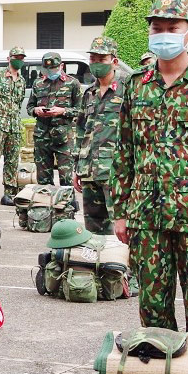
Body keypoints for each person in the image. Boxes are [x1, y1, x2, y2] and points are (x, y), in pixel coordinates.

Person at [111, 0, 188, 333]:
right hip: (147, 217)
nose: (164, 35)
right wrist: (119, 212)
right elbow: (124, 152)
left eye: (172, 28)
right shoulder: (136, 86)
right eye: (156, 28)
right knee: (153, 309)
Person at [74, 36, 124, 235]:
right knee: (93, 230)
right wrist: (78, 166)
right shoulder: (89, 93)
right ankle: (100, 266)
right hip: (89, 171)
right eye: (93, 59)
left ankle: (121, 266)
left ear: (114, 61)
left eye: (101, 59)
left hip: (114, 171)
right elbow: (81, 130)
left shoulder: (126, 89)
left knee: (120, 229)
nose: (96, 64)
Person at [28, 52, 81, 186]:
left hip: (63, 137)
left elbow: (81, 109)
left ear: (61, 66)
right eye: (48, 69)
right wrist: (36, 110)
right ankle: (45, 205)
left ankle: (66, 204)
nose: (51, 72)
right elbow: (30, 107)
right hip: (42, 136)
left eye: (54, 69)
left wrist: (63, 111)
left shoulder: (72, 83)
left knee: (66, 179)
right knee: (43, 179)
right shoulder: (38, 83)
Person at [0, 46, 27, 205]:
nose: (19, 60)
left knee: (12, 160)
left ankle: (9, 194)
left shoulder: (22, 80)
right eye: (16, 57)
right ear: (8, 58)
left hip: (14, 125)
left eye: (22, 58)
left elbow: (19, 101)